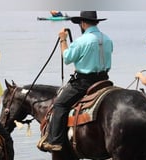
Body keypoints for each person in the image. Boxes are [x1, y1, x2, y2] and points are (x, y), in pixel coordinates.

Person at [37, 11, 113, 152]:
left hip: (84, 83)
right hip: (104, 80)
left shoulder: (82, 41)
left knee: (60, 105)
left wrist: (63, 40)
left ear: (83, 23)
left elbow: (67, 58)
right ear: (96, 22)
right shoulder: (107, 39)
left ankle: (56, 141)